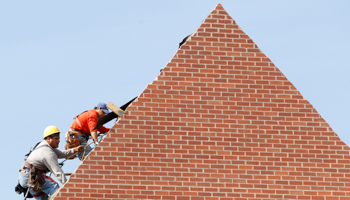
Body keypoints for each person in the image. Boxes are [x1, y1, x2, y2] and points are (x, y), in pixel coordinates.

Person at [18, 126, 84, 200]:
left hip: (26, 177)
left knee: (44, 197)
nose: (59, 141)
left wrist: (75, 150)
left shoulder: (45, 145)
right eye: (56, 139)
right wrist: (67, 187)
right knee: (53, 187)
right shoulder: (48, 153)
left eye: (59, 138)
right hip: (30, 177)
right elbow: (58, 173)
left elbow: (61, 154)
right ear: (49, 139)